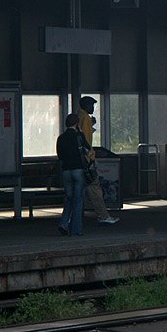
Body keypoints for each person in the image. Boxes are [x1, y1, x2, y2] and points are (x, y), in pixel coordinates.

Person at [76, 96, 118, 224]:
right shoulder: (86, 118)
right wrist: (90, 158)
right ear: (86, 106)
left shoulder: (79, 116)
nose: (93, 108)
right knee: (95, 188)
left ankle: (69, 218)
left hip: (78, 161)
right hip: (87, 160)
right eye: (91, 105)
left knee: (76, 191)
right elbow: (86, 140)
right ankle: (103, 215)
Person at [55, 113, 88, 236]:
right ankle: (76, 230)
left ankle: (63, 224)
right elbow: (87, 150)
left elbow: (60, 155)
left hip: (66, 171)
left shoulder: (61, 138)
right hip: (78, 171)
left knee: (69, 199)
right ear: (76, 124)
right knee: (78, 200)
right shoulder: (79, 136)